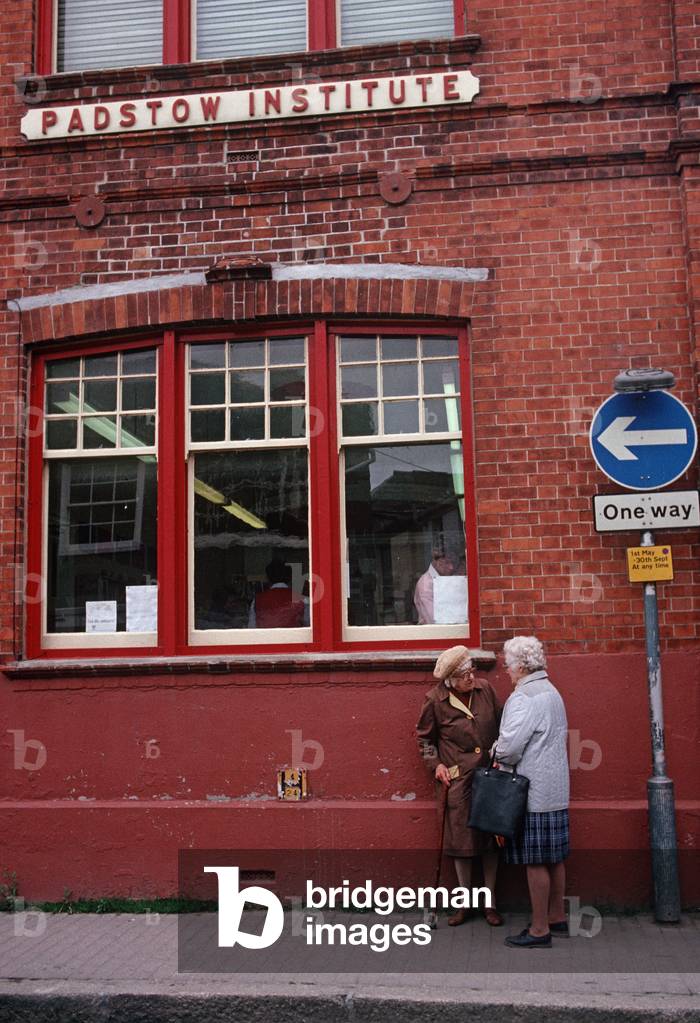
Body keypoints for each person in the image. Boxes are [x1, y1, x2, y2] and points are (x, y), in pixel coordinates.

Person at [416, 645, 504, 926]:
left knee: (491, 841)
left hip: (489, 777)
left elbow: (504, 725)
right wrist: (437, 765)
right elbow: (424, 740)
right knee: (461, 843)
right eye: (464, 674)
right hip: (458, 780)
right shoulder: (435, 700)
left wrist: (502, 754)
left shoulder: (486, 690)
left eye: (472, 670)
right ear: (450, 679)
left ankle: (490, 904)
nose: (471, 677)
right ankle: (464, 904)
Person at [494, 635, 570, 949]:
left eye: (508, 664)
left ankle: (539, 929)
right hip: (556, 787)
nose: (505, 669)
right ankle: (557, 916)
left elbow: (510, 749)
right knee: (555, 858)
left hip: (531, 788)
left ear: (522, 666)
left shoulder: (523, 697)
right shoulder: (552, 692)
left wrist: (495, 749)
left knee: (535, 860)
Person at [248, 559, 305, 629]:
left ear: (267, 578)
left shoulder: (257, 600)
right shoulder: (301, 599)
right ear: (290, 578)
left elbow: (251, 628)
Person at [413, 546, 456, 624]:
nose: (451, 567)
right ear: (437, 562)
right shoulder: (425, 584)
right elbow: (432, 619)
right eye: (447, 562)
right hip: (434, 632)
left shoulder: (443, 579)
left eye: (452, 563)